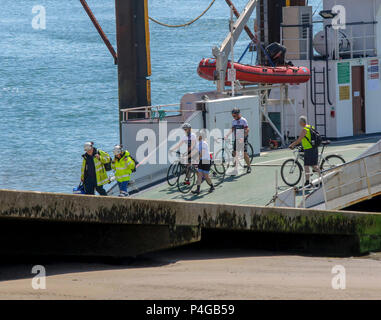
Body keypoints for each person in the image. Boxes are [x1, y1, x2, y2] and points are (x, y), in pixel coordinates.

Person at [289, 116, 320, 187]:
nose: (299, 123)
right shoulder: (310, 127)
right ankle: (321, 177)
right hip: (314, 148)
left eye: (299, 122)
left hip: (309, 150)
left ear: (302, 122)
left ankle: (307, 182)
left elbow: (299, 140)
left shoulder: (304, 130)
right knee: (314, 165)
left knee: (307, 166)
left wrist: (292, 145)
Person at [225, 108, 251, 175]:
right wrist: (227, 135)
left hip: (243, 138)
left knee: (244, 153)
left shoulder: (243, 120)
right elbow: (232, 129)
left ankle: (249, 167)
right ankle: (236, 168)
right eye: (233, 116)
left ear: (238, 114)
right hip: (237, 138)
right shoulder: (233, 121)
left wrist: (244, 136)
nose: (233, 117)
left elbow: (247, 129)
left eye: (234, 116)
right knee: (234, 153)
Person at [192, 131, 215, 195]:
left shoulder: (204, 143)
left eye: (197, 136)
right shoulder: (197, 144)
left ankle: (212, 186)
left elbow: (202, 153)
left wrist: (196, 160)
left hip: (206, 161)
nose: (196, 137)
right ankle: (198, 190)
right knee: (199, 175)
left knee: (206, 176)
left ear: (200, 137)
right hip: (201, 161)